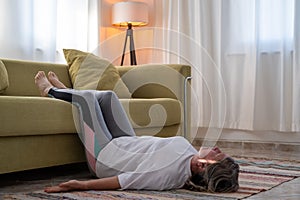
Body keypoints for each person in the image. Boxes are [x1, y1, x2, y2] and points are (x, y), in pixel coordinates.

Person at [34, 71, 239, 193]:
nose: (217, 148)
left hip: (103, 157)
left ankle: (50, 91)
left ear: (203, 166)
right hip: (125, 142)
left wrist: (81, 185)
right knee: (108, 97)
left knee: (87, 100)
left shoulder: (165, 175)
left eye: (218, 155)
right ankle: (69, 94)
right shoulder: (189, 152)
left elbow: (122, 181)